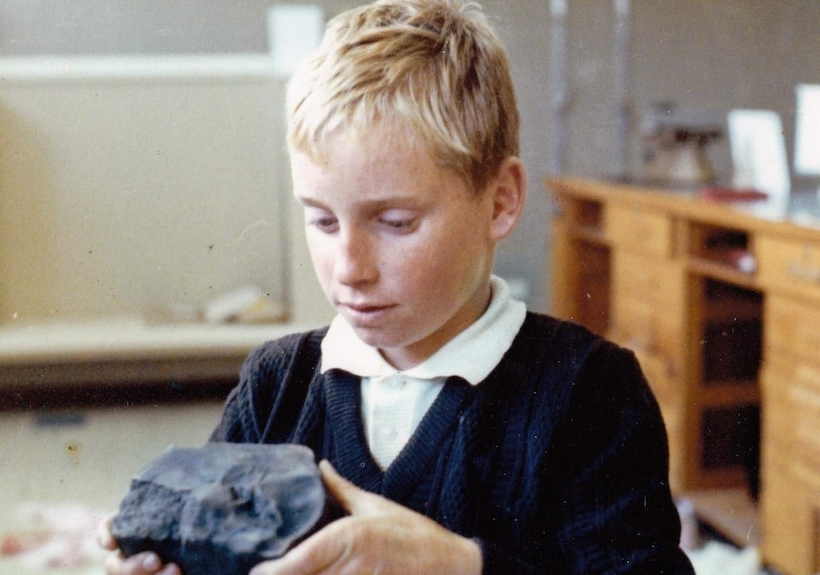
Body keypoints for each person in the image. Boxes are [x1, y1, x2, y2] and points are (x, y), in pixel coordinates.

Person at [99, 0, 695, 573]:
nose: (349, 266)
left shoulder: (588, 393)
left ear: (501, 201)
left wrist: (460, 567)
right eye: (323, 220)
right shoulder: (275, 387)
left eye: (395, 223)